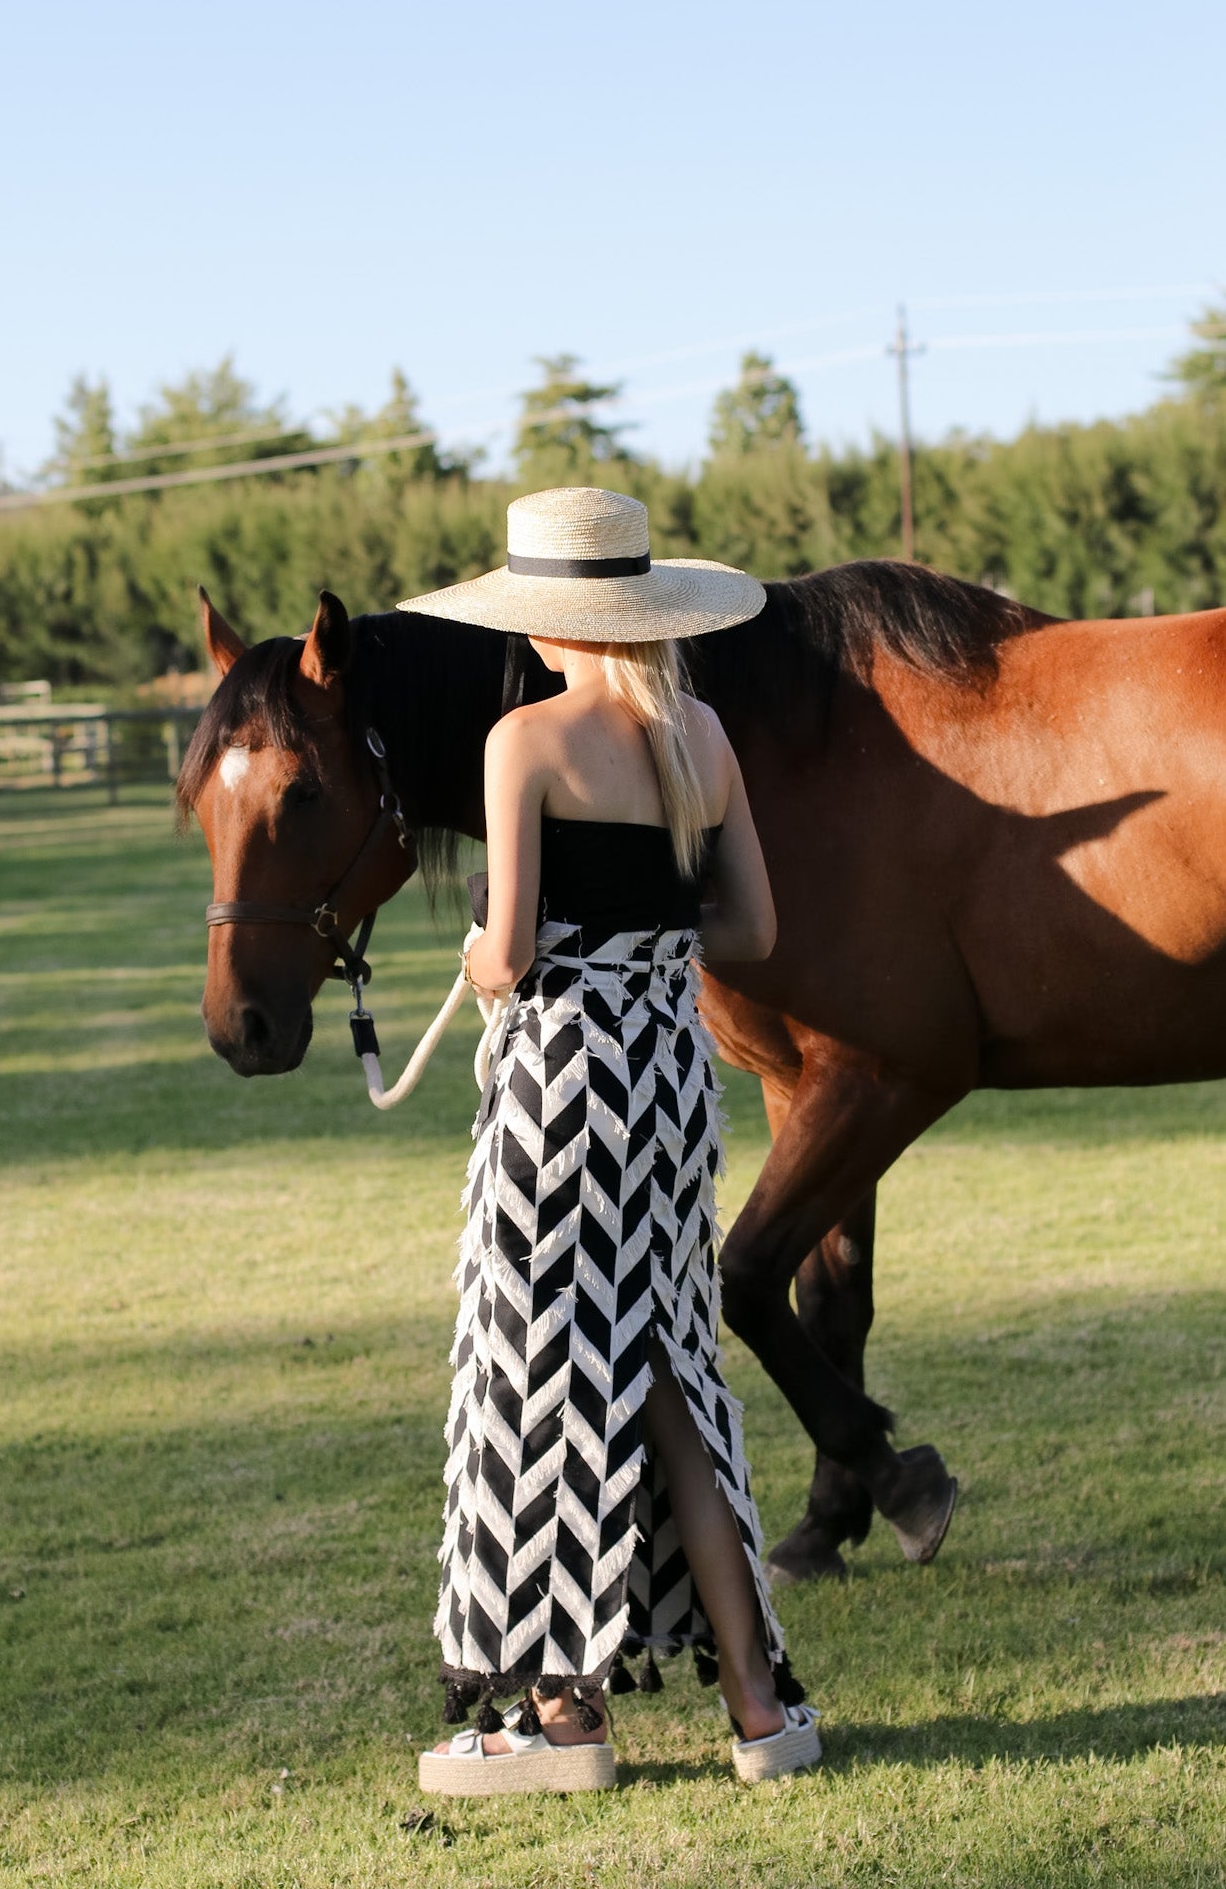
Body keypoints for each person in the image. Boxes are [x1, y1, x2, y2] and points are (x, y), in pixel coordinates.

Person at [397, 486, 820, 1796]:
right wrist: (641, 926)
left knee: (537, 1371)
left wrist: (481, 939)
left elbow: (511, 957)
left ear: (546, 620)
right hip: (669, 1090)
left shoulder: (522, 740)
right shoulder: (698, 734)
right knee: (663, 1373)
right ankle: (760, 1709)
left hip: (560, 1083)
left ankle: (556, 1719)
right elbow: (745, 932)